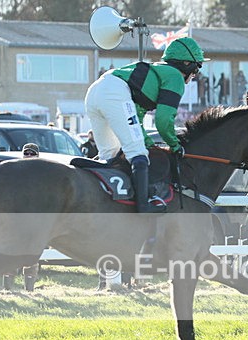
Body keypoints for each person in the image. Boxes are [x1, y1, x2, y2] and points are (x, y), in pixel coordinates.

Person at [84, 37, 206, 214]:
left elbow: (136, 117)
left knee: (109, 155)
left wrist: (147, 141)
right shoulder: (175, 77)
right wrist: (175, 145)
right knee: (138, 153)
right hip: (114, 92)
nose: (195, 74)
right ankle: (144, 206)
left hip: (95, 91)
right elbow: (163, 121)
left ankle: (107, 204)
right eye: (196, 67)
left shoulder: (158, 71)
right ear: (186, 63)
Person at [3, 144, 41, 291]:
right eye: (26, 153)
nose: (29, 156)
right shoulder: (14, 172)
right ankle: (8, 286)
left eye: (32, 154)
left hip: (35, 217)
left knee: (32, 252)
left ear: (37, 155)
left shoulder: (44, 173)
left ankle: (29, 287)